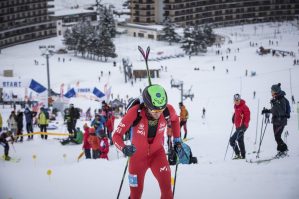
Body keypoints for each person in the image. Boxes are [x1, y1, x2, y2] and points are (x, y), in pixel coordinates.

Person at [113, 84, 181, 199]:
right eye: (154, 110)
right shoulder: (135, 112)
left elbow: (175, 120)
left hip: (157, 155)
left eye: (161, 109)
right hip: (137, 158)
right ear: (146, 105)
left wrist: (177, 140)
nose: (158, 113)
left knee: (167, 192)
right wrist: (124, 148)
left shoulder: (168, 110)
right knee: (135, 195)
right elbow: (116, 135)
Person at [262, 83, 290, 155]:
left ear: (276, 92)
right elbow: (274, 110)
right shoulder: (277, 99)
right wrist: (267, 110)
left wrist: (275, 104)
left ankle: (284, 150)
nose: (271, 93)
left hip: (281, 121)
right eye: (271, 91)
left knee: (277, 137)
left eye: (272, 92)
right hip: (276, 120)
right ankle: (281, 151)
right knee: (276, 137)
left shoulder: (282, 99)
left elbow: (281, 111)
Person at [230, 94, 250, 159]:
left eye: (237, 100)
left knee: (232, 140)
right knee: (240, 140)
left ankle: (238, 154)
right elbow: (237, 113)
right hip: (238, 127)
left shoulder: (244, 107)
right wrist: (234, 117)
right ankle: (243, 156)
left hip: (242, 127)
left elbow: (248, 117)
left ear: (240, 99)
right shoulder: (236, 106)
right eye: (235, 100)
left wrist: (244, 125)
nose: (236, 101)